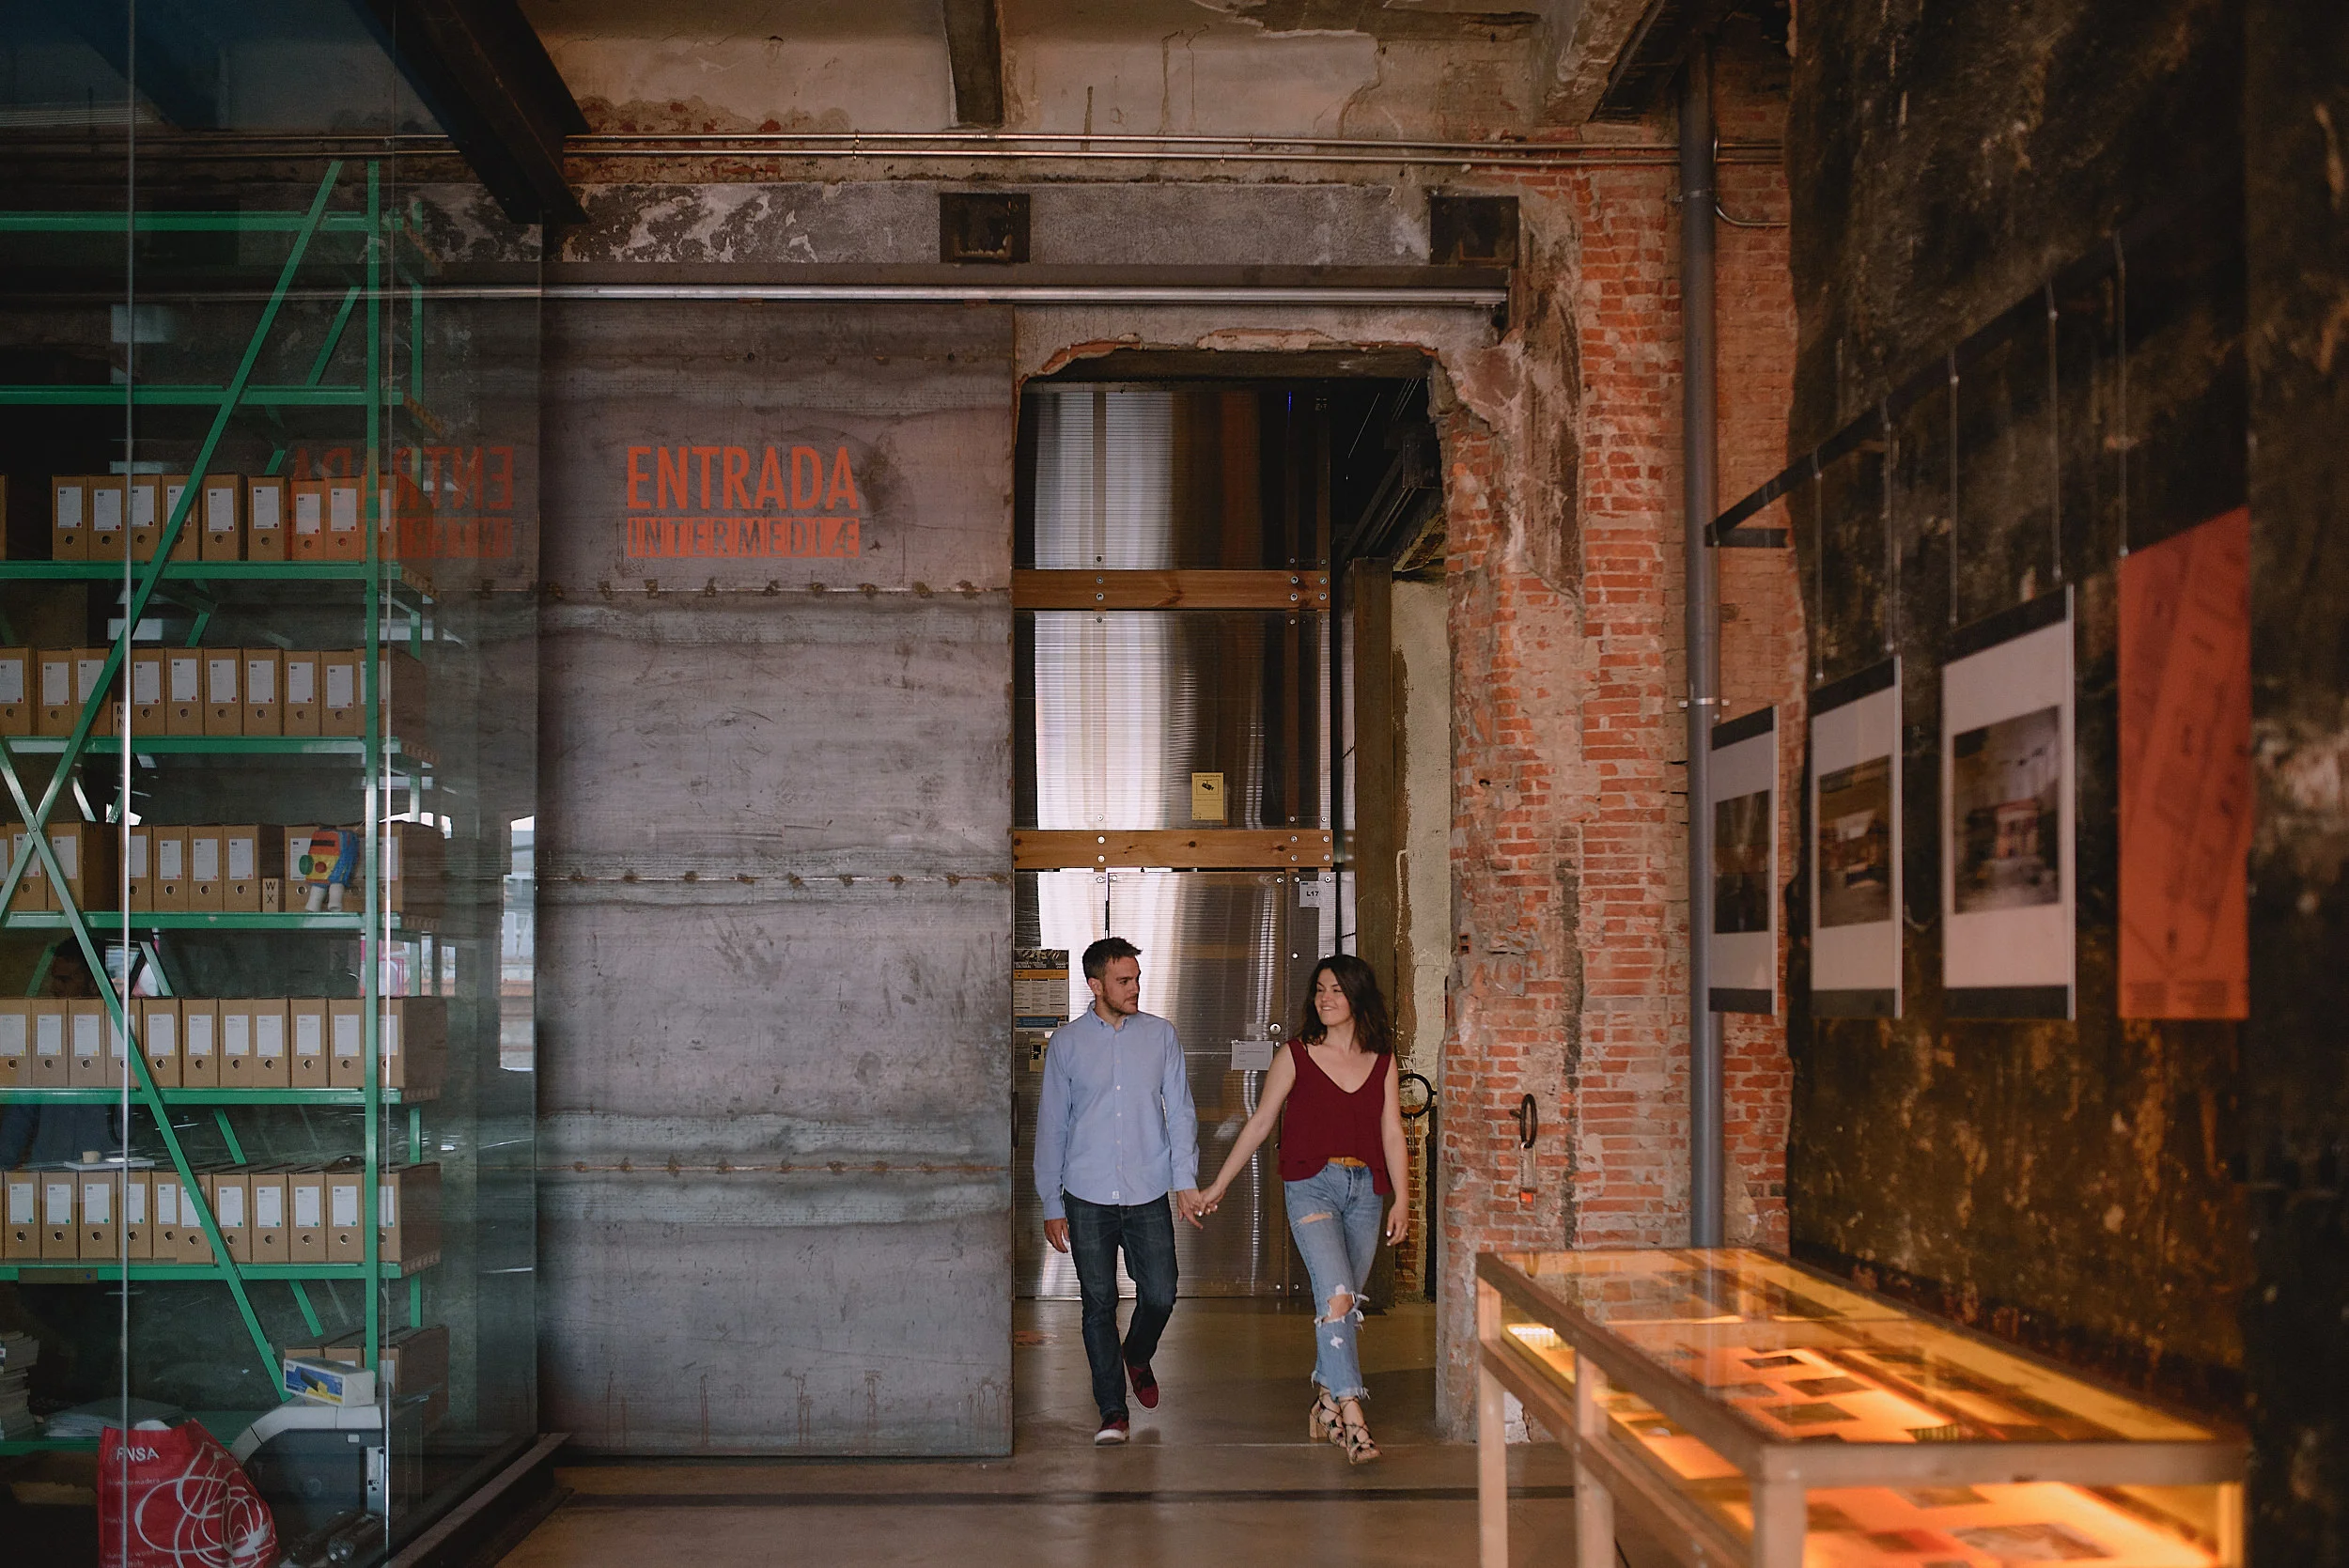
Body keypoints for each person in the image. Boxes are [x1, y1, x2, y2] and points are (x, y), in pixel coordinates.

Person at [1198, 954, 1408, 1464]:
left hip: (1367, 1190)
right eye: (1319, 989)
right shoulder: (1295, 1054)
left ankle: (1323, 1403)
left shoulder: (1382, 1058)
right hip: (1312, 1184)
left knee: (1342, 1307)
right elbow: (1260, 1121)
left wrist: (1403, 1197)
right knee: (1336, 1299)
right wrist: (1218, 1184)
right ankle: (1352, 1416)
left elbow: (1392, 1131)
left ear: (1357, 996)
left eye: (1336, 990)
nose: (1325, 998)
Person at [1033, 937, 1204, 1447]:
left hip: (1148, 1189)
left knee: (1161, 1293)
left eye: (1136, 979)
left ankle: (1137, 1353)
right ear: (1095, 985)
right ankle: (1112, 1410)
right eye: (1123, 981)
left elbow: (1182, 1111)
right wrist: (1050, 1201)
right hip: (1086, 1195)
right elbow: (1052, 1127)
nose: (1135, 988)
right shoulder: (1066, 1044)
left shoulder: (1161, 1036)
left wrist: (1184, 1181)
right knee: (1098, 1304)